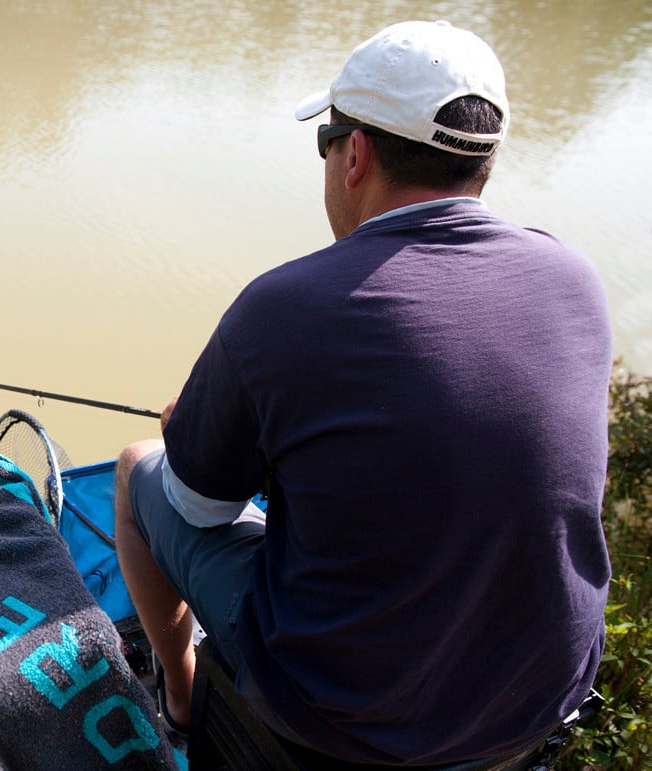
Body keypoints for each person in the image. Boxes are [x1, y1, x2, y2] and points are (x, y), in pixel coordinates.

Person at [114, 20, 612, 767]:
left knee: (136, 466)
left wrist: (193, 438)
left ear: (357, 154)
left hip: (343, 719)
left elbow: (198, 507)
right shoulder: (573, 279)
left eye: (327, 143)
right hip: (535, 701)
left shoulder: (286, 307)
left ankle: (181, 698)